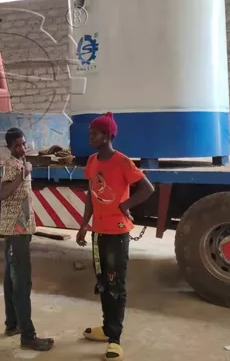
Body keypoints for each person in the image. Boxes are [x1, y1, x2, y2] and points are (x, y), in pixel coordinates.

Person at [76, 112, 155, 361]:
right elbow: (91, 194)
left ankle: (115, 339)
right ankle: (107, 327)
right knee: (102, 283)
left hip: (118, 232)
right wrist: (83, 225)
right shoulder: (92, 160)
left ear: (108, 136)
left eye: (94, 133)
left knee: (115, 284)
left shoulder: (122, 161)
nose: (90, 137)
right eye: (90, 133)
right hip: (98, 232)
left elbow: (147, 188)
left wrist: (125, 205)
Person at [0, 128, 55, 352]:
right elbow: (2, 193)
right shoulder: (12, 165)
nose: (22, 148)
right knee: (22, 283)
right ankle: (28, 336)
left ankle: (12, 325)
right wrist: (24, 174)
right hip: (16, 232)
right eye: (17, 146)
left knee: (11, 280)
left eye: (23, 144)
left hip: (20, 229)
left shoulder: (21, 163)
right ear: (10, 147)